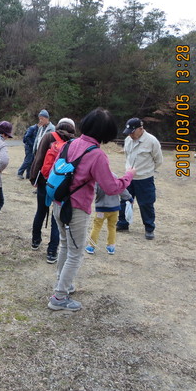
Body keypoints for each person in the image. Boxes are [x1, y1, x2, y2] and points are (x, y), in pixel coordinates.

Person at [48, 108, 135, 312]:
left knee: (65, 247)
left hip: (58, 204)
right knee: (76, 253)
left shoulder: (69, 145)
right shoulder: (97, 155)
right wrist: (129, 175)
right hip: (77, 209)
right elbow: (112, 187)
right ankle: (59, 297)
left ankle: (64, 285)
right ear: (106, 133)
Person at [29, 118, 76, 263]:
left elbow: (39, 158)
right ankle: (52, 252)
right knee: (57, 218)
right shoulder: (74, 143)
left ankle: (36, 241)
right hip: (62, 186)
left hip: (44, 181)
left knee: (41, 211)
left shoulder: (49, 136)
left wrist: (33, 178)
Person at [116, 118, 163, 240]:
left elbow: (158, 160)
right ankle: (123, 223)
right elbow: (127, 156)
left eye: (132, 131)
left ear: (141, 129)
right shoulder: (128, 140)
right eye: (128, 132)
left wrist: (146, 171)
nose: (130, 134)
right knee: (125, 201)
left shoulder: (152, 141)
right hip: (129, 177)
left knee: (146, 203)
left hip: (145, 179)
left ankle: (149, 228)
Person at [85, 177, 133, 255]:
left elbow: (92, 191)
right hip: (114, 209)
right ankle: (111, 247)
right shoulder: (115, 177)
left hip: (102, 209)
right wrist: (130, 198)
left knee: (97, 226)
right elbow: (122, 189)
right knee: (112, 227)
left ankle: (91, 246)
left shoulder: (97, 179)